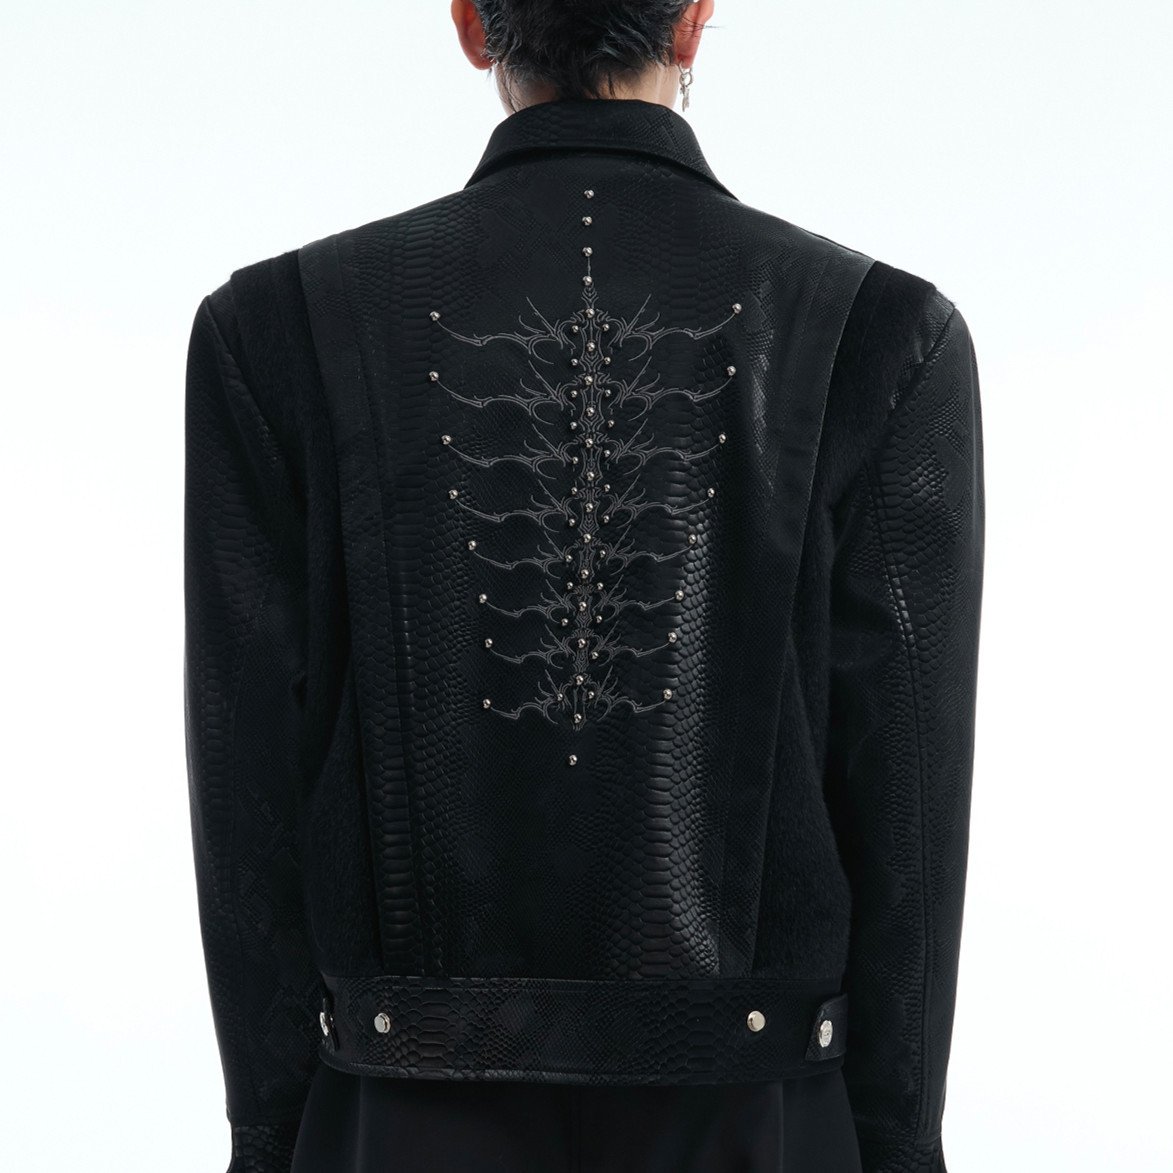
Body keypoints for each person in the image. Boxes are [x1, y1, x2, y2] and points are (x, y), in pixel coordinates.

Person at [182, 2, 985, 1170]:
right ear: (695, 21)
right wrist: (899, 1147)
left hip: (393, 1120)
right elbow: (907, 815)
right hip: (758, 1119)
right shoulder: (885, 339)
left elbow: (246, 804)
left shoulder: (272, 335)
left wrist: (269, 1141)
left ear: (472, 22)